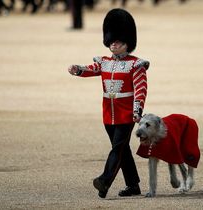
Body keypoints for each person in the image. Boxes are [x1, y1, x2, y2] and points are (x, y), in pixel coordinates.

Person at [67, 8, 149, 198]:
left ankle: (104, 181)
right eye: (111, 41)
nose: (113, 44)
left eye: (118, 41)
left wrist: (137, 110)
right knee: (123, 150)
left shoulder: (136, 64)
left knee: (117, 148)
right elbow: (91, 69)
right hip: (108, 113)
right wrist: (77, 69)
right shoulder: (104, 62)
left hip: (126, 114)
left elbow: (141, 89)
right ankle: (133, 186)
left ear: (127, 43)